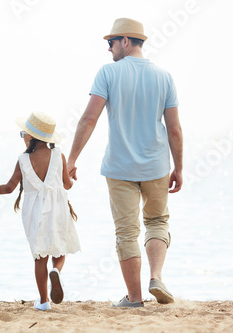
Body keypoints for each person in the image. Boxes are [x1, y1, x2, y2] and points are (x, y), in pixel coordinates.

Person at [67, 18, 183, 308]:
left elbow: (89, 118)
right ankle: (156, 277)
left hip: (119, 168)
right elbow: (174, 129)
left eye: (111, 42)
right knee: (157, 221)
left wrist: (72, 159)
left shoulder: (108, 73)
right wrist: (179, 167)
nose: (109, 49)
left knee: (126, 231)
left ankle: (134, 299)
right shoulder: (164, 76)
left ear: (126, 41)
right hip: (156, 165)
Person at [0, 111, 81, 311]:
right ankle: (56, 271)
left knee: (39, 257)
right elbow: (66, 186)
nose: (22, 136)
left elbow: (9, 188)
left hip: (34, 212)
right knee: (60, 249)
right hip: (58, 208)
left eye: (23, 133)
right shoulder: (59, 156)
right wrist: (69, 175)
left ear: (31, 136)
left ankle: (43, 301)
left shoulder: (23, 160)